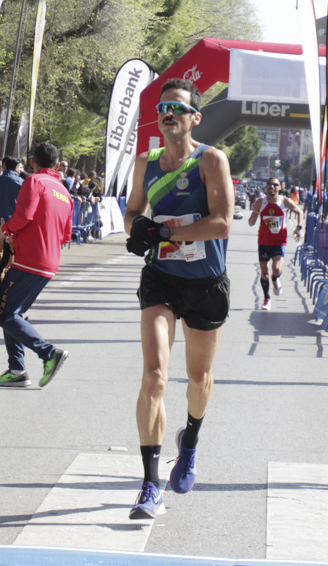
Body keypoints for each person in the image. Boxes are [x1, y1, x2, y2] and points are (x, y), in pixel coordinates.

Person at [122, 78, 234, 519]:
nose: (168, 113)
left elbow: (222, 223)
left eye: (178, 108)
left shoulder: (211, 159)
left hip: (206, 283)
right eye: (162, 107)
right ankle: (150, 485)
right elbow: (132, 211)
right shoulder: (144, 163)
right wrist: (138, 230)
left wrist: (166, 231)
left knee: (198, 378)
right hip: (161, 278)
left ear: (195, 118)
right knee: (154, 377)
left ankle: (189, 440)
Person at [0, 142, 72, 388]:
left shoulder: (34, 182)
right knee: (12, 312)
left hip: (29, 260)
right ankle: (17, 369)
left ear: (33, 162)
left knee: (3, 312)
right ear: (57, 165)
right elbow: (66, 236)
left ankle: (48, 353)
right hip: (49, 261)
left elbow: (24, 216)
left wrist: (6, 231)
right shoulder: (64, 191)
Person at [247, 176, 303, 311]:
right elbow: (251, 221)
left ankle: (275, 279)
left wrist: (298, 228)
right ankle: (267, 299)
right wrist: (253, 218)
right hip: (264, 241)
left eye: (275, 184)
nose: (271, 186)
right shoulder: (260, 202)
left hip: (279, 241)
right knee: (264, 273)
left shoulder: (285, 201)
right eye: (269, 184)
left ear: (280, 188)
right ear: (266, 187)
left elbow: (299, 212)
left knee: (276, 269)